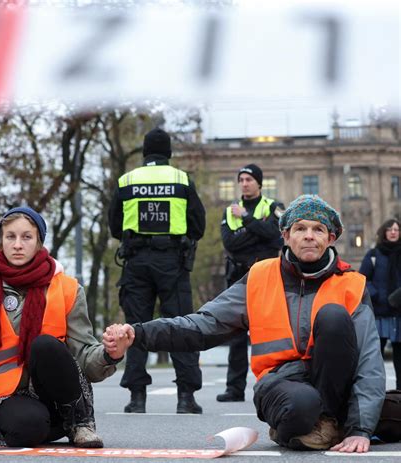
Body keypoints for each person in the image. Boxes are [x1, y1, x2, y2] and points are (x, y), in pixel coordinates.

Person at [104, 194, 386, 453]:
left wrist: (360, 430)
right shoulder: (260, 277)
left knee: (334, 316)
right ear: (286, 236)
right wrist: (138, 333)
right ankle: (305, 424)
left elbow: (368, 359)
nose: (309, 236)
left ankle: (329, 423)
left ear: (331, 237)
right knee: (302, 406)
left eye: (318, 229)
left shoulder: (351, 284)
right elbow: (203, 325)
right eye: (300, 229)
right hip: (281, 382)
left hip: (333, 383)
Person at [0, 206, 120, 448]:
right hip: (7, 395)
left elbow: (84, 356)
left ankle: (79, 423)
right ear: (1, 241)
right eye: (10, 236)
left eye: (26, 237)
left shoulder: (67, 289)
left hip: (59, 396)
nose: (17, 244)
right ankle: (44, 426)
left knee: (45, 344)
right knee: (27, 429)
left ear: (39, 242)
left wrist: (110, 353)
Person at [108, 127, 206, 414]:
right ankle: (186, 398)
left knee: (134, 328)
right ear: (169, 153)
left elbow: (115, 226)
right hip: (172, 262)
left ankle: (137, 398)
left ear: (144, 152)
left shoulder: (127, 181)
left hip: (136, 262)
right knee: (181, 327)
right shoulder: (181, 179)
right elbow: (198, 225)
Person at [217, 164, 284, 402]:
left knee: (268, 334)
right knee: (235, 334)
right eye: (241, 179)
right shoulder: (229, 211)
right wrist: (258, 230)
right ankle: (234, 389)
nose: (244, 183)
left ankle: (272, 386)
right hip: (237, 277)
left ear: (259, 183)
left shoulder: (273, 206)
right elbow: (231, 244)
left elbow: (277, 239)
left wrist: (246, 219)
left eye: (249, 179)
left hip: (266, 277)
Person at [359, 219, 401, 389]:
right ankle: (375, 393)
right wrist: (376, 295)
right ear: (383, 232)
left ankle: (399, 397)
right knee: (376, 358)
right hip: (380, 313)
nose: (393, 232)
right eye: (390, 229)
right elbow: (362, 279)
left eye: (397, 230)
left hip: (399, 314)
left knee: (400, 360)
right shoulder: (373, 255)